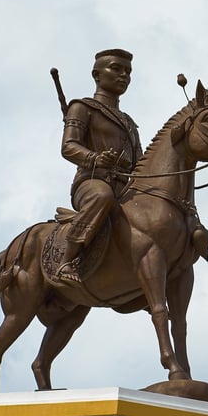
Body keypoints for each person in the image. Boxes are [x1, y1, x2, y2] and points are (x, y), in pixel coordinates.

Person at [57, 48, 142, 283]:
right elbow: (69, 146)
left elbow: (141, 162)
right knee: (102, 196)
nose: (123, 75)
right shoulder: (82, 108)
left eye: (128, 71)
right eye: (116, 68)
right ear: (97, 75)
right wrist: (95, 158)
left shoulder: (130, 124)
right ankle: (66, 259)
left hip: (125, 188)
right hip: (92, 183)